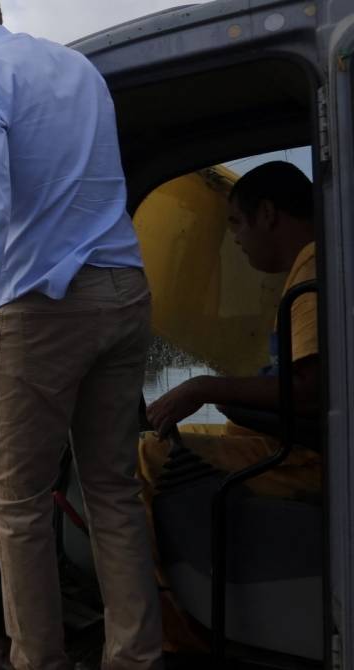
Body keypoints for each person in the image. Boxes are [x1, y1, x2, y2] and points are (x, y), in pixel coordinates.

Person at [0, 0, 161, 667]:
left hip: (43, 308)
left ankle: (37, 662)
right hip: (125, 290)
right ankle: (136, 658)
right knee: (111, 490)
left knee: (16, 499)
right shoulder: (78, 69)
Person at [138, 161, 318, 650]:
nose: (234, 238)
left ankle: (173, 638)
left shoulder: (313, 268)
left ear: (267, 213)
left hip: (305, 456)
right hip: (287, 439)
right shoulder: (313, 262)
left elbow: (308, 389)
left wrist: (204, 388)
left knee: (144, 458)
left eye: (235, 222)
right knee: (154, 440)